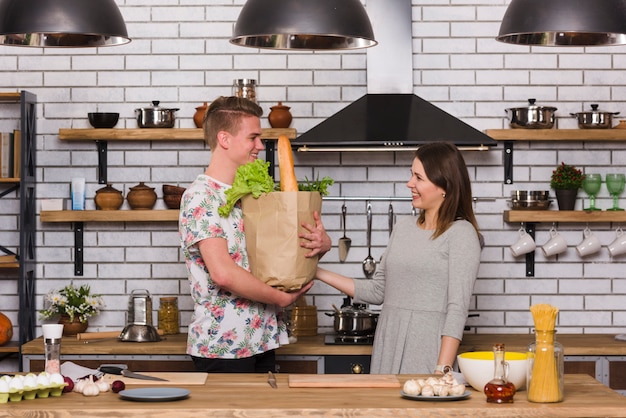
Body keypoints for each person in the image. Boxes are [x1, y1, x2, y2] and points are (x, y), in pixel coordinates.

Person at [179, 96, 331, 373]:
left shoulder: (251, 192)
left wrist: (322, 243)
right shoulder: (201, 197)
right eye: (253, 137)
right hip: (224, 347)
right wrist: (280, 299)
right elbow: (223, 273)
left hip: (262, 339)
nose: (260, 145)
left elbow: (279, 248)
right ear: (224, 139)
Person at [316, 141, 481, 375]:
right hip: (388, 345)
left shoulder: (461, 234)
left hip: (427, 350)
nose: (409, 183)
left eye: (418, 177)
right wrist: (316, 271)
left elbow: (457, 309)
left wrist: (441, 371)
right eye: (411, 175)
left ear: (444, 185)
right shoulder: (403, 228)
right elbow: (377, 291)